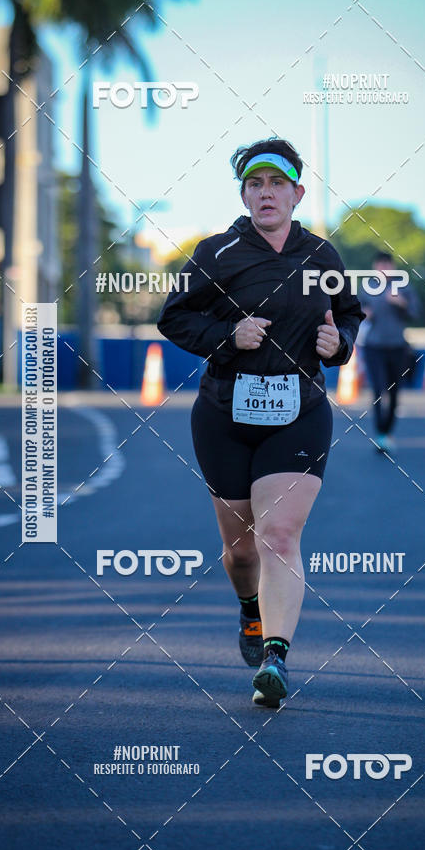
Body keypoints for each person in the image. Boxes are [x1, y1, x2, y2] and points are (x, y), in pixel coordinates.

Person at [157, 137, 364, 707]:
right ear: (244, 194)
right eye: (255, 184)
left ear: (297, 192)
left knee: (278, 535)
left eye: (277, 184)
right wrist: (227, 336)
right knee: (242, 549)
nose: (265, 194)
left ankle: (275, 658)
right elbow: (172, 318)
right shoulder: (216, 253)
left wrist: (338, 342)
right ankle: (250, 610)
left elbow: (347, 313)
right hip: (225, 412)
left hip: (299, 409)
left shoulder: (321, 256)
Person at [360, 251, 420, 455]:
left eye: (387, 265)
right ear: (375, 267)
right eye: (380, 265)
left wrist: (400, 303)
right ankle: (380, 434)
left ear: (393, 267)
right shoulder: (367, 288)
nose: (384, 269)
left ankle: (388, 432)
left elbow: (415, 313)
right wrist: (364, 315)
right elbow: (354, 313)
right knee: (378, 389)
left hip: (397, 347)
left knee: (394, 392)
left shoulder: (403, 287)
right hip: (373, 347)